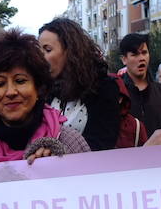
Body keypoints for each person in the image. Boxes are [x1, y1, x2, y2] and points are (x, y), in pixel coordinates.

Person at [0, 29, 90, 168]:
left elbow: (91, 186)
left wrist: (64, 165)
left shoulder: (68, 141)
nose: (10, 92)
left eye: (20, 81)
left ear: (38, 87)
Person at [38, 18, 121, 151]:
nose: (40, 57)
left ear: (70, 51)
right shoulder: (42, 90)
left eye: (47, 50)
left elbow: (103, 144)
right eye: (39, 51)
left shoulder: (103, 88)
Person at [119, 33, 161, 139]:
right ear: (124, 59)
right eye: (135, 54)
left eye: (144, 53)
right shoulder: (118, 94)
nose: (141, 58)